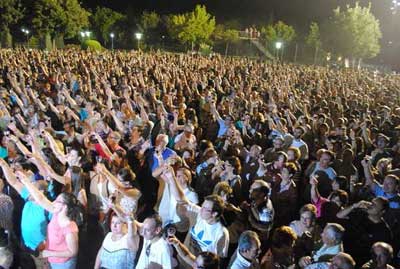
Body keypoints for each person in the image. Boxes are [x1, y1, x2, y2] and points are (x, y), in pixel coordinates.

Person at [16, 170, 80, 269]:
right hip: (52, 258)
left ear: (65, 207)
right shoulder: (55, 212)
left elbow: (73, 252)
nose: (54, 202)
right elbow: (40, 198)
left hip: (63, 264)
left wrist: (50, 253)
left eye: (58, 201)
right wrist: (26, 181)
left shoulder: (69, 228)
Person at [163, 166, 229, 259]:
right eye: (202, 206)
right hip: (183, 260)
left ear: (214, 214)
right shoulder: (199, 214)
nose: (201, 209)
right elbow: (181, 200)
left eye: (205, 208)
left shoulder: (221, 233)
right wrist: (171, 178)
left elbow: (219, 260)